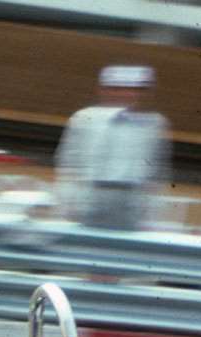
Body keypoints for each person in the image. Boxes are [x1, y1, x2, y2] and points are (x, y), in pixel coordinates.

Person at [53, 63, 168, 232]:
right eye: (116, 88)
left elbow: (155, 171)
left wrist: (150, 212)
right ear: (103, 90)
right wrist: (66, 203)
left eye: (133, 89)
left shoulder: (154, 123)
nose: (125, 94)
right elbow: (69, 163)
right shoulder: (84, 117)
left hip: (131, 197)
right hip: (90, 193)